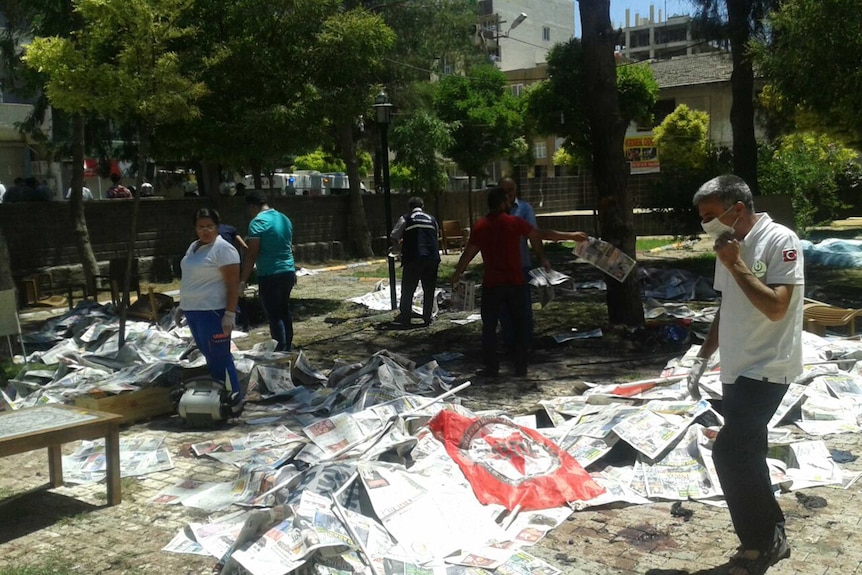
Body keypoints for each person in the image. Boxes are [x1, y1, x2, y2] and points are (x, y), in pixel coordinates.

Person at [687, 174, 801, 575]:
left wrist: (736, 265)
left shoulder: (779, 240)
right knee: (749, 454)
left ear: (739, 208)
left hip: (768, 367)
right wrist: (702, 356)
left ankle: (758, 543)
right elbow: (728, 306)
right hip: (735, 369)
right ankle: (773, 534)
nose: (707, 225)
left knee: (729, 453)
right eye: (702, 217)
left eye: (713, 216)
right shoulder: (727, 247)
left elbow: (776, 308)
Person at [451, 187, 588, 378]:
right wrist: (571, 236)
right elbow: (541, 234)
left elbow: (468, 253)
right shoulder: (514, 223)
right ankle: (520, 367)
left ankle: (491, 367)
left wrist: (457, 273)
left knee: (489, 327)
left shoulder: (480, 226)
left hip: (492, 284)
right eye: (507, 201)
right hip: (515, 282)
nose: (510, 204)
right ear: (501, 203)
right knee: (520, 325)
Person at [179, 208, 243, 406]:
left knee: (220, 357)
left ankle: (233, 400)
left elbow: (232, 284)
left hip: (213, 311)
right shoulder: (193, 247)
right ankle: (219, 398)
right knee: (208, 355)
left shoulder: (223, 249)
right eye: (200, 227)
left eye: (209, 226)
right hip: (194, 311)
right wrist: (183, 305)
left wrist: (230, 314)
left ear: (217, 227)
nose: (205, 231)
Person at [240, 190, 296, 352]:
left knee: (274, 315)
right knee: (284, 311)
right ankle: (287, 348)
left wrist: (243, 280)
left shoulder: (258, 222)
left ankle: (280, 351)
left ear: (252, 206)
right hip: (287, 270)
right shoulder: (284, 218)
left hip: (270, 273)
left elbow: (252, 254)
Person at [499, 177, 548, 350]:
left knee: (523, 307)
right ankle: (510, 343)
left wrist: (541, 257)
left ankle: (525, 344)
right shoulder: (494, 214)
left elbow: (534, 235)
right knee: (503, 310)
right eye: (504, 191)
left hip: (521, 266)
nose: (509, 194)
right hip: (499, 270)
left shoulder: (524, 209)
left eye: (511, 189)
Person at [390, 196, 440, 327]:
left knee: (408, 289)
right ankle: (427, 318)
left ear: (410, 207)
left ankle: (405, 317)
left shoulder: (406, 218)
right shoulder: (432, 219)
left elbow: (394, 236)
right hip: (432, 258)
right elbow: (435, 237)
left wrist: (399, 247)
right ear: (422, 207)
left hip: (414, 257)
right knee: (429, 289)